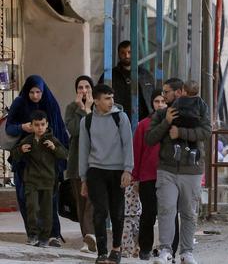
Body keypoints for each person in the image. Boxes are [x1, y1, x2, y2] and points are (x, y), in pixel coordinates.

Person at [148, 78, 210, 264]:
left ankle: (187, 252)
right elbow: (150, 139)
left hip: (191, 169)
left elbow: (206, 131)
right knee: (166, 209)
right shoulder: (162, 113)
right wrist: (166, 122)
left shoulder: (200, 107)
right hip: (167, 169)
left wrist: (181, 133)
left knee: (189, 212)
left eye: (166, 92)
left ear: (179, 92)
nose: (163, 95)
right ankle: (166, 250)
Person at [6, 75, 69, 247]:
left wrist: (56, 150)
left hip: (48, 162)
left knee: (49, 202)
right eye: (32, 92)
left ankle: (52, 235)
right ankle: (32, 234)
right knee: (28, 201)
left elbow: (59, 129)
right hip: (26, 162)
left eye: (38, 92)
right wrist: (22, 127)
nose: (35, 96)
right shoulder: (20, 103)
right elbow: (9, 126)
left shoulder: (50, 103)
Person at [79, 84, 134, 264]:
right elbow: (83, 150)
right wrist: (83, 179)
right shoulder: (86, 121)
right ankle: (101, 253)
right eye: (107, 98)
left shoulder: (121, 117)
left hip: (117, 170)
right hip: (96, 170)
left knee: (117, 211)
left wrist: (128, 169)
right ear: (96, 100)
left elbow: (128, 144)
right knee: (100, 211)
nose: (111, 102)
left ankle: (116, 249)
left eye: (112, 97)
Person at [132, 90, 180, 260]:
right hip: (148, 176)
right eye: (156, 101)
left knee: (170, 212)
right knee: (148, 213)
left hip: (169, 175)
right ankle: (145, 249)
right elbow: (137, 152)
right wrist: (135, 177)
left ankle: (171, 250)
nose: (160, 104)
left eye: (162, 101)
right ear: (152, 103)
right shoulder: (144, 125)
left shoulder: (175, 124)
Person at [64, 75, 96, 253]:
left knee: (93, 202)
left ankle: (91, 236)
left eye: (87, 87)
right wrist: (82, 109)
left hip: (96, 163)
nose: (84, 91)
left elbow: (94, 131)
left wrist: (89, 109)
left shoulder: (99, 106)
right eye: (80, 88)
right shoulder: (71, 108)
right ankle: (87, 240)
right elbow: (76, 130)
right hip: (77, 163)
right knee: (82, 203)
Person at [98, 40, 154, 122]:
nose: (127, 56)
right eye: (123, 53)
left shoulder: (145, 75)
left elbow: (152, 98)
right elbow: (98, 97)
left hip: (142, 122)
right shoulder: (109, 75)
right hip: (116, 121)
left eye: (129, 52)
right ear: (118, 54)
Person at [170, 80, 208, 166]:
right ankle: (192, 150)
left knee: (177, 135)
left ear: (185, 92)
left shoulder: (179, 100)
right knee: (192, 141)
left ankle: (177, 145)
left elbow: (173, 109)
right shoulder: (199, 101)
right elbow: (204, 111)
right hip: (193, 122)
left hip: (180, 120)